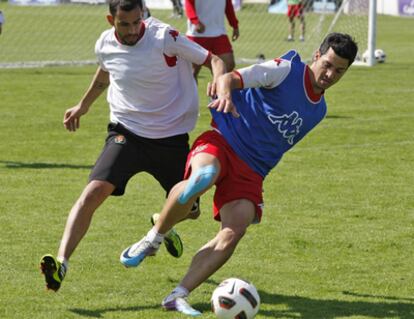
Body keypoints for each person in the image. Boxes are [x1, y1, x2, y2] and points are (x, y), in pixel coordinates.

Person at [120, 32, 358, 316]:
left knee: (235, 231)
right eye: (327, 65)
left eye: (339, 71)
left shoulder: (319, 110)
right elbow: (230, 78)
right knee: (203, 177)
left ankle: (178, 294)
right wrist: (225, 96)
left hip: (252, 170)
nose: (330, 74)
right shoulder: (286, 69)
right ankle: (153, 239)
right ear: (317, 56)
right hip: (223, 139)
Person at [39, 0, 226, 292]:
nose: (131, 30)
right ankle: (61, 263)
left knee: (191, 210)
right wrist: (83, 105)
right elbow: (105, 73)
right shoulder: (104, 44)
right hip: (126, 132)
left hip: (172, 138)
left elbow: (213, 59)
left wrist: (218, 84)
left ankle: (163, 223)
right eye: (123, 24)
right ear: (110, 19)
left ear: (143, 16)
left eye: (136, 22)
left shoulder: (165, 37)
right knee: (93, 191)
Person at [185, 0, 240, 82]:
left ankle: (216, 93)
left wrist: (234, 25)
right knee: (192, 72)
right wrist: (195, 21)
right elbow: (188, 3)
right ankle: (190, 95)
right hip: (197, 35)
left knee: (228, 65)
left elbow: (228, 5)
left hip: (219, 33)